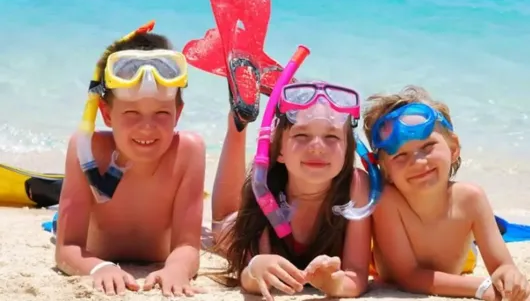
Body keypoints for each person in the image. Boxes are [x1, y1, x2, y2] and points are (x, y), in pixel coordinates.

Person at [54, 21, 205, 297]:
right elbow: (66, 249)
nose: (147, 128)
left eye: (161, 114)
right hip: (98, 252)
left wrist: (177, 269)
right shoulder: (87, 150)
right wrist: (100, 269)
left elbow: (188, 246)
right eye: (131, 113)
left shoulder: (188, 152)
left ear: (178, 113)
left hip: (157, 252)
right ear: (107, 114)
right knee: (56, 222)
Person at [210, 75, 374, 300]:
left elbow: (356, 275)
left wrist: (333, 283)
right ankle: (237, 124)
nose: (317, 147)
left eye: (331, 137)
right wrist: (256, 268)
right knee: (223, 225)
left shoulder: (356, 186)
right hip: (235, 227)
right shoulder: (265, 190)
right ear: (279, 151)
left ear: (348, 150)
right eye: (301, 135)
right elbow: (247, 274)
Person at [363, 85, 530, 301]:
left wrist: (510, 276)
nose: (418, 161)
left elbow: (502, 267)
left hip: (465, 258)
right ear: (384, 170)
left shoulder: (471, 199)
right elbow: (407, 277)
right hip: (387, 263)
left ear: (453, 149)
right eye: (400, 155)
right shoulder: (388, 201)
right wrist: (481, 287)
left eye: (428, 146)